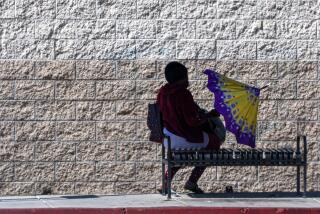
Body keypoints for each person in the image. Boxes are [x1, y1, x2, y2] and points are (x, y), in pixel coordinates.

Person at [157, 61, 225, 194]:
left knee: (182, 156)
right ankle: (192, 181)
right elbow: (192, 121)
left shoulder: (162, 92)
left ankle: (166, 183)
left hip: (168, 136)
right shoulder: (183, 94)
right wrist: (209, 116)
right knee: (214, 143)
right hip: (182, 136)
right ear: (183, 77)